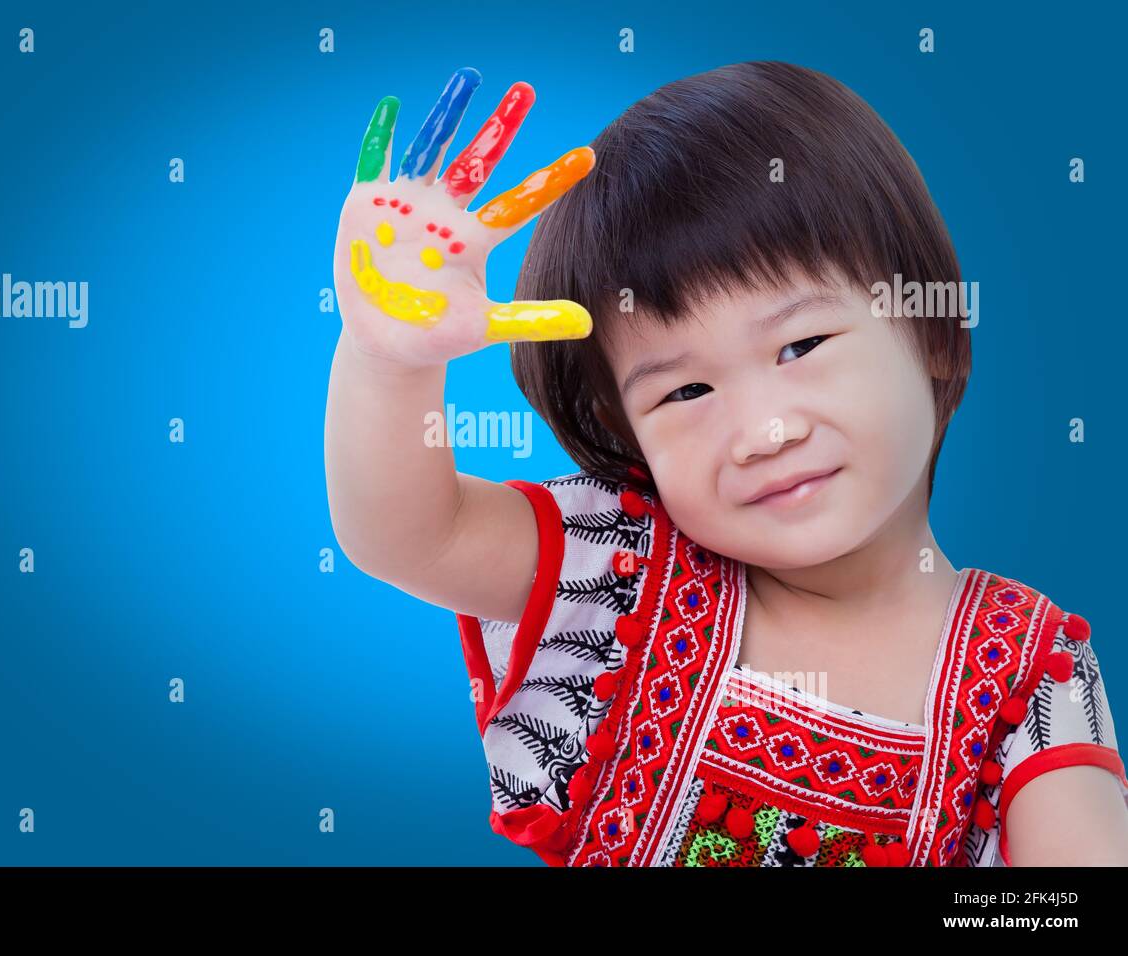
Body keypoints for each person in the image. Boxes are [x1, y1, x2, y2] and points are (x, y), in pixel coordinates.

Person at [324, 62, 1128, 866]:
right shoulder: (624, 572)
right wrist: (388, 357)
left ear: (936, 337)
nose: (761, 432)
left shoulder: (1030, 667)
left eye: (800, 346)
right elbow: (412, 535)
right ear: (629, 435)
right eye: (686, 391)